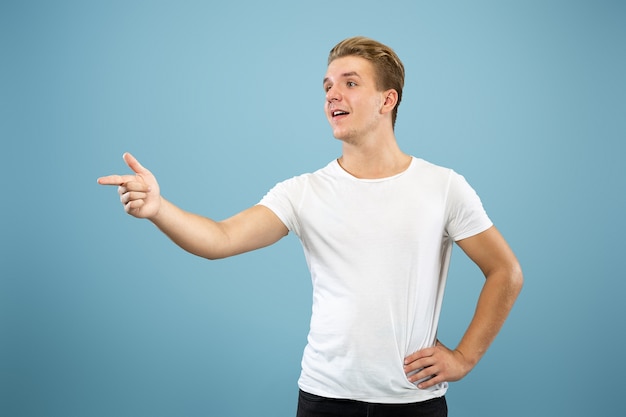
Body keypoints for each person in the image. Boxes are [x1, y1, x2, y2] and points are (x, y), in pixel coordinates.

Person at [98, 36, 523, 417]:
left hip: (414, 401)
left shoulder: (443, 186)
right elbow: (220, 239)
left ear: (387, 100)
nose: (332, 94)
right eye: (327, 86)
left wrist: (464, 357)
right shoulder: (303, 192)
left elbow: (505, 272)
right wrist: (158, 209)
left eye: (350, 83)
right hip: (324, 399)